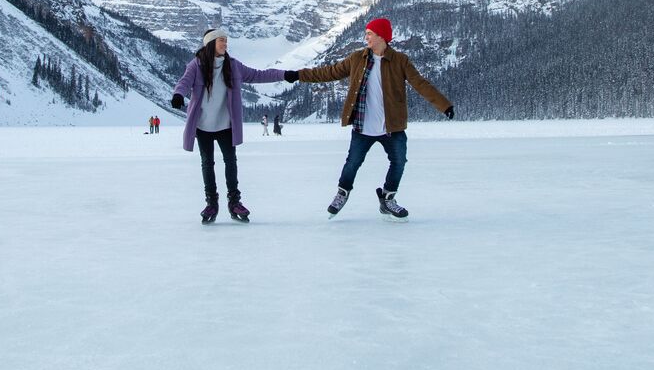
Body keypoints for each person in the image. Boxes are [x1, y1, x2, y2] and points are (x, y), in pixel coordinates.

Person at [290, 17, 454, 221]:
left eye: (370, 33)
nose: (366, 37)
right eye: (366, 33)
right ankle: (342, 194)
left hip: (391, 127)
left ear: (381, 36)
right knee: (352, 163)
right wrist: (298, 75)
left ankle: (388, 199)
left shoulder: (400, 61)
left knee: (399, 161)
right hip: (363, 127)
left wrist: (444, 105)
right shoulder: (357, 58)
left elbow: (420, 83)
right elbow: (330, 72)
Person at [171, 28, 294, 223]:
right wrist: (178, 94)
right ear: (211, 44)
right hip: (203, 126)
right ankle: (212, 203)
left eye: (226, 41)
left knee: (231, 162)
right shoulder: (197, 65)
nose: (225, 44)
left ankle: (234, 202)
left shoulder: (233, 66)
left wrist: (284, 74)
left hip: (226, 125)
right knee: (207, 163)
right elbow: (184, 82)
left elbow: (257, 75)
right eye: (221, 41)